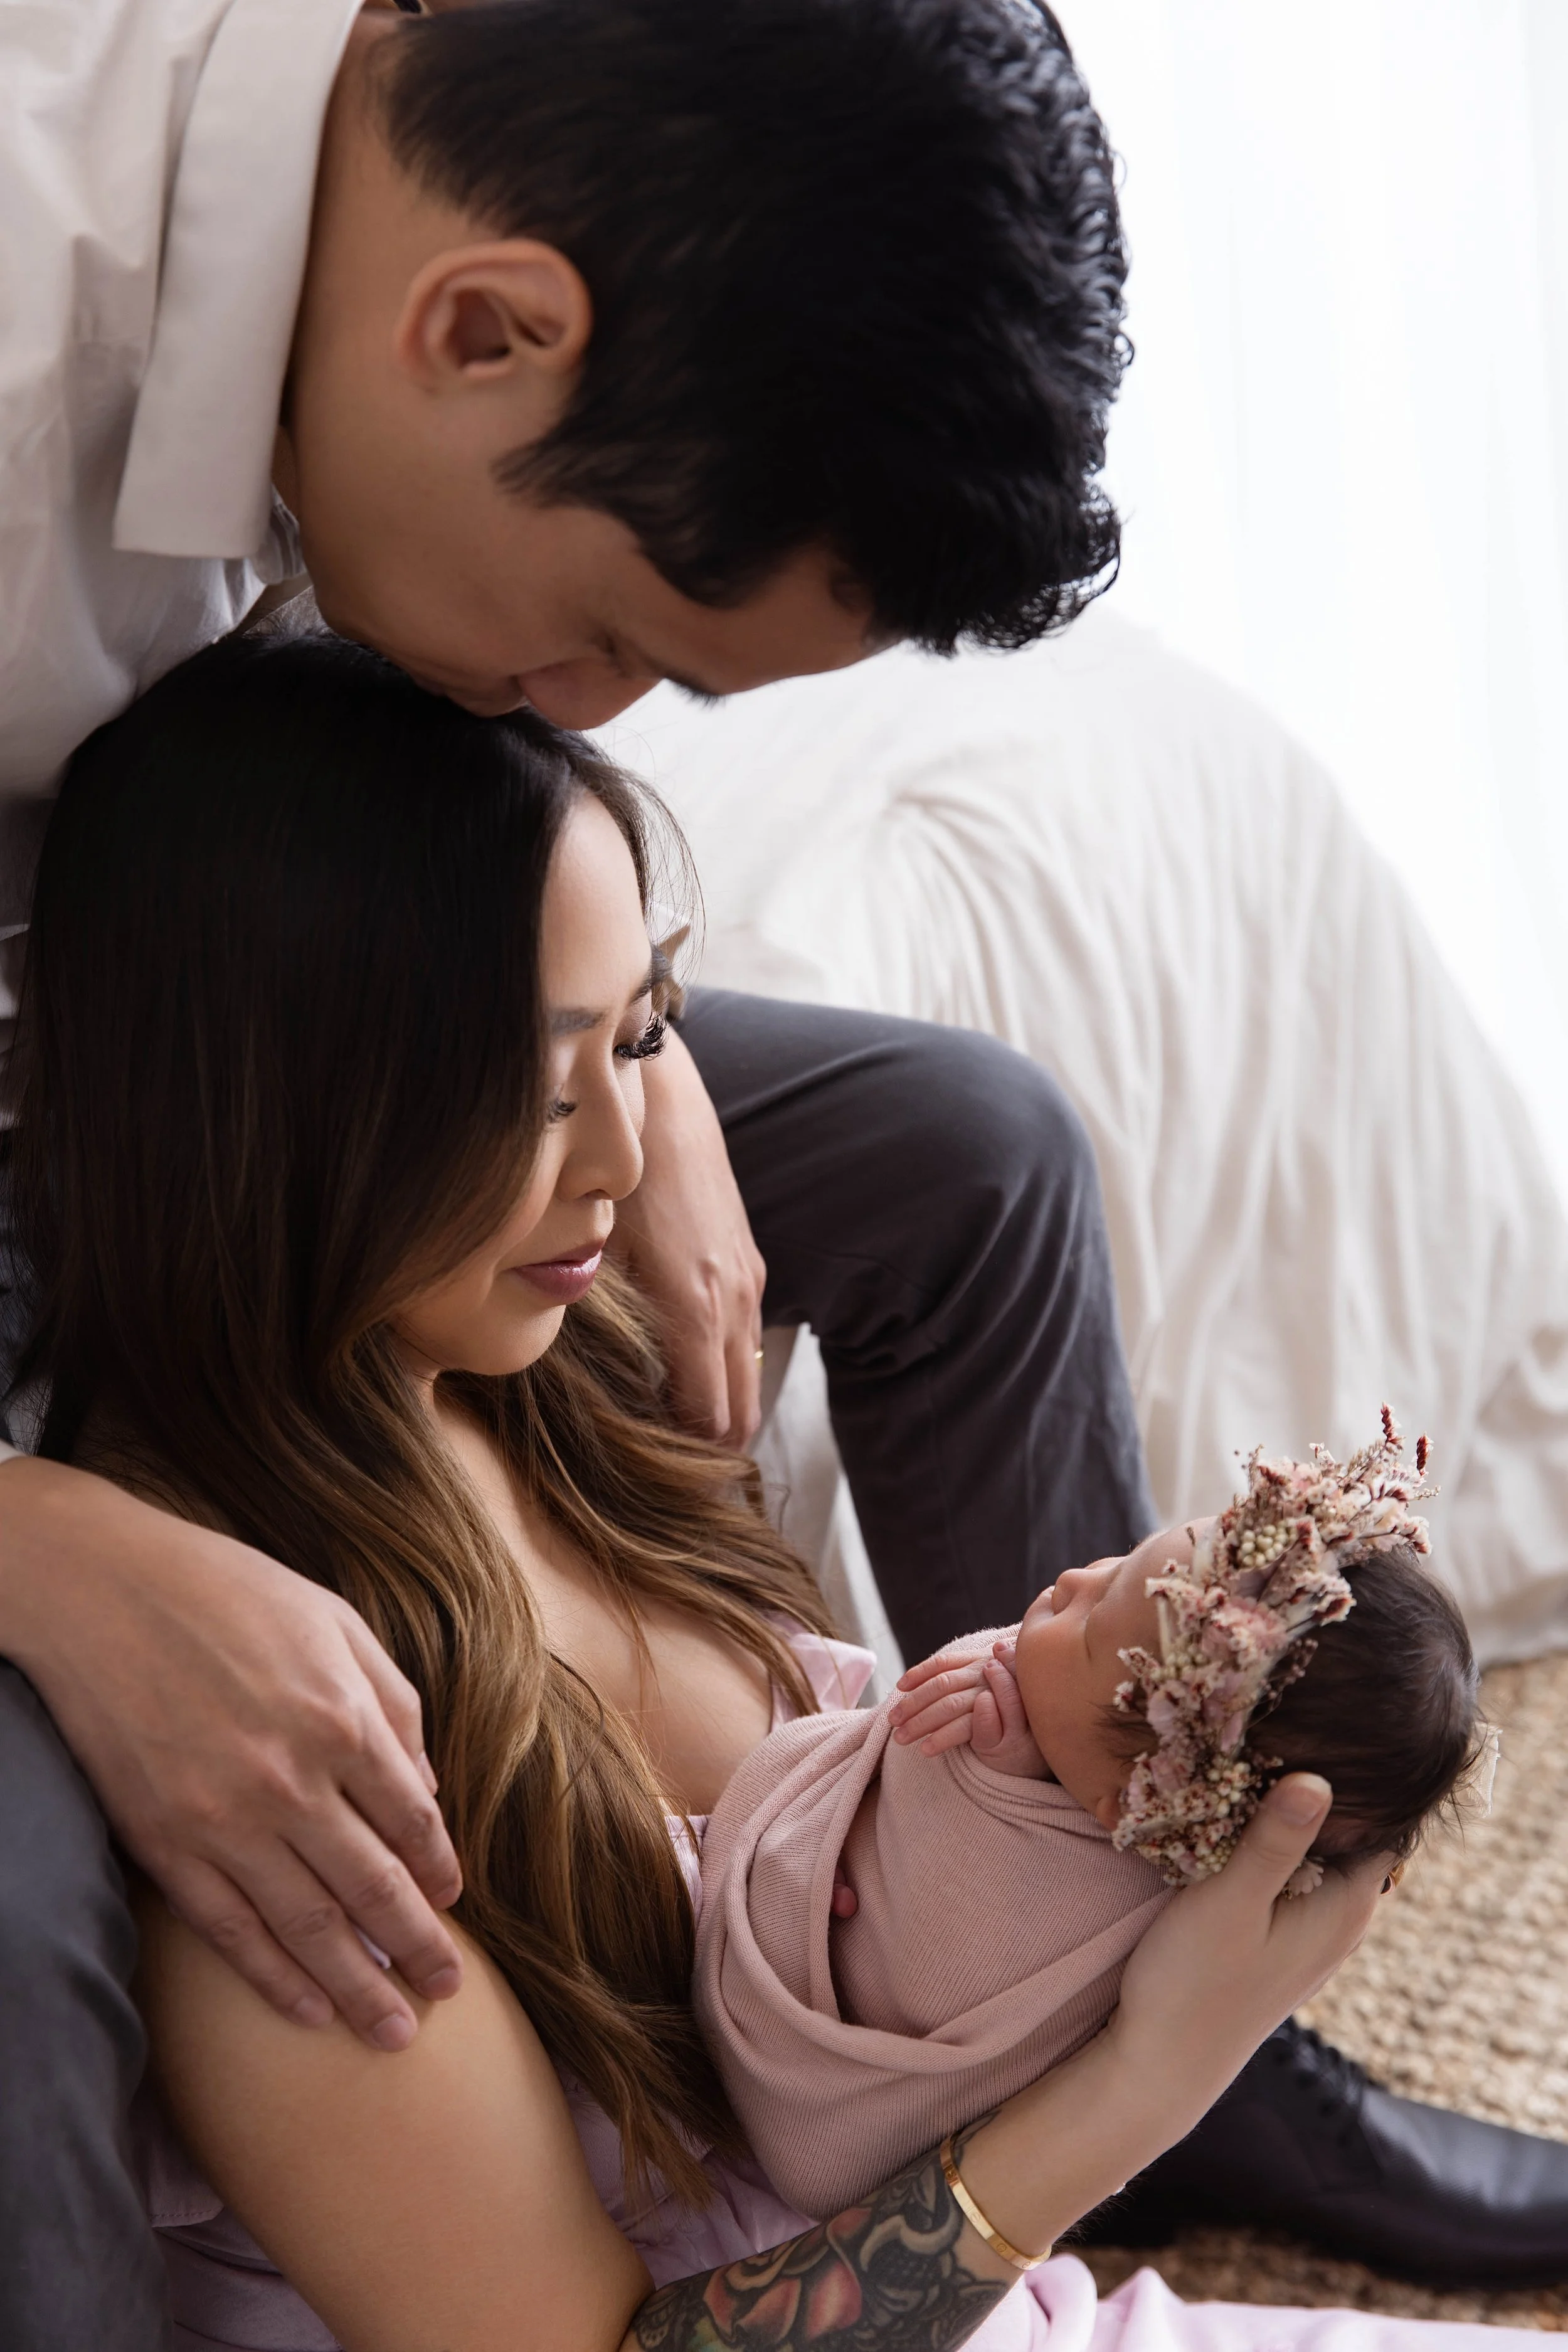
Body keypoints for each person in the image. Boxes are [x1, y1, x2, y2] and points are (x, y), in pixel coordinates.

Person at [0, 3, 1559, 2343]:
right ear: (484, 330)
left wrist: (630, 1011)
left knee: (970, 1140)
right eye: (613, 637)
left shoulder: (397, 168)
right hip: (162, 1072)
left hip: (244, 1003)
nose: (583, 701)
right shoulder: (44, 329)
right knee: (24, 1879)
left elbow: (365, 765)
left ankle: (1060, 1899)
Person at [695, 1439, 1485, 2218]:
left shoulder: (1082, 1900)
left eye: (1089, 1623)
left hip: (826, 2124)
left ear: (1129, 1804)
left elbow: (927, 1974)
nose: (1074, 1577)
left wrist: (979, 1778)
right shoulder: (1101, 1772)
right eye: (1118, 1562)